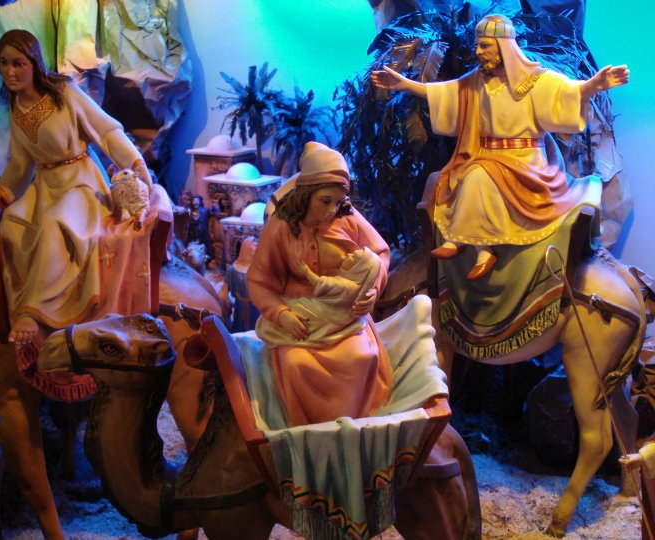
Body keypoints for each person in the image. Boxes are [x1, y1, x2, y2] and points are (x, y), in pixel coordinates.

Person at [371, 14, 629, 280]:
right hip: (486, 155)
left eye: (484, 45)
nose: (478, 51)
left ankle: (480, 249)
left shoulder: (535, 81)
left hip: (525, 160)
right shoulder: (477, 81)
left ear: (503, 47)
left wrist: (594, 85)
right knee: (464, 176)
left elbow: (567, 92)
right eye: (477, 45)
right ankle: (468, 243)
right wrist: (406, 85)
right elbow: (445, 93)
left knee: (479, 175)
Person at [0, 29, 163, 346]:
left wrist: (136, 164)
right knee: (11, 225)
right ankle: (22, 308)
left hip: (80, 182)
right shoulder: (17, 105)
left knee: (54, 223)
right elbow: (21, 162)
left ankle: (37, 313)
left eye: (18, 63)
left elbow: (106, 132)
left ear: (34, 62)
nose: (10, 71)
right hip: (44, 187)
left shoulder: (64, 92)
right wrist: (2, 191)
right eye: (3, 63)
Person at [247, 141, 392, 427]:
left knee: (362, 357)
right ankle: (309, 432)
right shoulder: (281, 227)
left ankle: (350, 428)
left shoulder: (347, 218)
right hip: (300, 321)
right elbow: (260, 281)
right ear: (306, 193)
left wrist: (373, 289)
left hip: (345, 317)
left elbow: (380, 253)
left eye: (337, 202)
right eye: (325, 201)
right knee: (295, 364)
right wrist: (281, 315)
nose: (331, 210)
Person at [256, 246, 381, 348]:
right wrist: (279, 313)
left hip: (334, 319)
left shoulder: (347, 286)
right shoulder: (349, 284)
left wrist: (373, 290)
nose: (347, 255)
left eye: (353, 257)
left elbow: (379, 257)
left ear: (359, 269)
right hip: (309, 309)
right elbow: (260, 280)